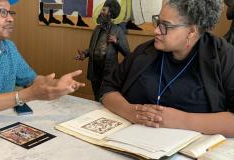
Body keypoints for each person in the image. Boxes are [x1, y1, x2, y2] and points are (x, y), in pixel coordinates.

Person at [100, 0, 234, 137]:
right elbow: (107, 88)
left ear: (191, 31)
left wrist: (181, 120)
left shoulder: (223, 56)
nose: (156, 30)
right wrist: (130, 111)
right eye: (158, 22)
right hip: (131, 141)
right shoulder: (145, 51)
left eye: (165, 26)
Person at [75, 0, 130, 102]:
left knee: (105, 96)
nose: (101, 12)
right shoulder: (97, 29)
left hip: (109, 70)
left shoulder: (118, 30)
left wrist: (116, 42)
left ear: (110, 12)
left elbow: (127, 53)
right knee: (96, 96)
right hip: (95, 68)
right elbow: (93, 49)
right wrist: (84, 54)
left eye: (104, 10)